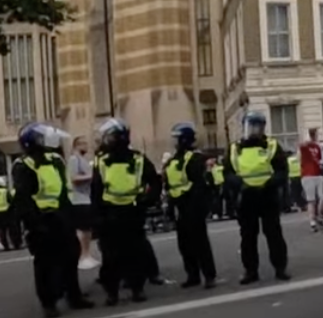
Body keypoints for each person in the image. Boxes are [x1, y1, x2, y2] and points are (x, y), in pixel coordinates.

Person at [11, 124, 95, 318]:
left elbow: (64, 190)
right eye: (43, 137)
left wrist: (70, 216)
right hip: (42, 219)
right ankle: (48, 302)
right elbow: (23, 199)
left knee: (71, 255)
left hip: (61, 217)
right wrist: (34, 224)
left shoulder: (56, 159)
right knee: (45, 263)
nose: (47, 141)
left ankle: (74, 295)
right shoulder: (23, 166)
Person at [91, 118, 161, 305]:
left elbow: (154, 181)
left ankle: (137, 289)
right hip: (110, 214)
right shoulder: (102, 161)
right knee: (111, 257)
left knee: (134, 254)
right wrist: (97, 217)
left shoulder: (138, 159)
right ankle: (111, 292)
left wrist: (148, 200)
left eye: (109, 137)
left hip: (132, 212)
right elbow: (96, 190)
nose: (106, 141)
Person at [226, 111, 291, 284]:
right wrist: (239, 184)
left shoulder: (271, 145)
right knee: (247, 236)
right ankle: (250, 271)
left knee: (273, 233)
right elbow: (228, 173)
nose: (253, 130)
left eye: (257, 126)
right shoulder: (235, 148)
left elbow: (282, 171)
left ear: (262, 128)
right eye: (250, 126)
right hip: (246, 196)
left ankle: (280, 268)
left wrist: (269, 184)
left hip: (267, 195)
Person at [165, 122, 218, 289]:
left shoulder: (195, 158)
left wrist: (199, 208)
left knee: (200, 243)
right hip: (179, 206)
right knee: (185, 244)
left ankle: (209, 275)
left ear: (185, 140)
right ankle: (192, 274)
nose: (175, 143)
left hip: (193, 206)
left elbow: (200, 185)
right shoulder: (174, 160)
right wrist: (170, 207)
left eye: (178, 139)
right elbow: (170, 184)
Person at [67, 136, 99, 270]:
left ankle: (87, 254)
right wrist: (91, 177)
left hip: (85, 197)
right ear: (77, 145)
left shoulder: (82, 160)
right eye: (83, 144)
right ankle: (83, 256)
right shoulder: (74, 159)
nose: (86, 146)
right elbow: (74, 178)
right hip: (78, 199)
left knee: (87, 229)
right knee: (82, 229)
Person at [298, 128, 323, 232]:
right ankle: (312, 221)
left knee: (322, 197)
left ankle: (318, 216)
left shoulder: (317, 147)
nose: (316, 137)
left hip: (318, 174)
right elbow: (301, 144)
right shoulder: (305, 147)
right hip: (307, 175)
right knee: (311, 200)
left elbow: (318, 159)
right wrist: (308, 137)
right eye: (314, 135)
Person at [0, 175, 20, 250]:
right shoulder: (5, 191)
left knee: (2, 231)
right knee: (12, 229)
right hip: (8, 212)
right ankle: (16, 244)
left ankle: (6, 246)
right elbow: (11, 201)